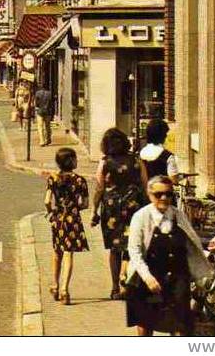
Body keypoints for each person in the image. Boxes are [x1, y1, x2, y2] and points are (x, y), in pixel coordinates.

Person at [126, 175, 211, 336]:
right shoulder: (141, 217)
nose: (164, 198)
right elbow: (134, 251)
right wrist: (147, 277)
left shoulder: (179, 216)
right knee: (145, 323)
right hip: (149, 275)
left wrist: (200, 278)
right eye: (159, 194)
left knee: (180, 325)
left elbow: (192, 247)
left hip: (177, 277)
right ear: (150, 195)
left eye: (168, 194)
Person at [90, 127, 148, 299]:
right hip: (134, 208)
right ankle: (127, 280)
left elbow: (99, 188)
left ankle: (115, 287)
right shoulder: (137, 160)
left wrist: (94, 211)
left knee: (115, 249)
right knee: (133, 245)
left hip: (112, 209)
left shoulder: (105, 162)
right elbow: (145, 184)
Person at [43, 147, 89, 306]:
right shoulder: (80, 180)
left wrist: (50, 212)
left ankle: (54, 284)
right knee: (69, 254)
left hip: (58, 218)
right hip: (73, 219)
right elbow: (85, 203)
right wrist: (75, 207)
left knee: (57, 252)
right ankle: (64, 289)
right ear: (71, 161)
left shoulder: (53, 178)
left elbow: (47, 200)